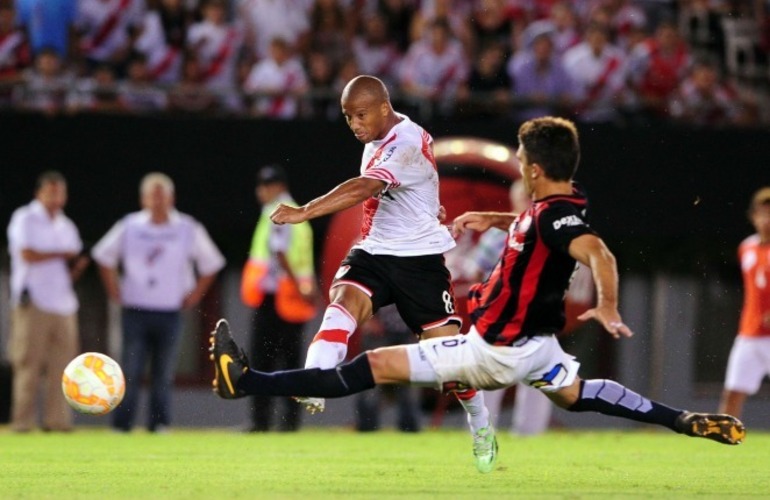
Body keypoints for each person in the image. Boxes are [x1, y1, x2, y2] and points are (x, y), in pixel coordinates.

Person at [210, 116, 746, 475]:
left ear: (533, 170)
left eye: (519, 157)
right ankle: (680, 419)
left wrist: (606, 303)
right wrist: (499, 218)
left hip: (490, 351)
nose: (516, 162)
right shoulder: (549, 209)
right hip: (539, 351)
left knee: (367, 368)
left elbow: (598, 252)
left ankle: (247, 381)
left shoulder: (555, 217)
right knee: (577, 393)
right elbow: (551, 228)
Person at [260, 74, 493, 472]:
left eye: (361, 114)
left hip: (420, 262)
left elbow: (365, 187)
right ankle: (315, 382)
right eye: (348, 116)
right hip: (375, 252)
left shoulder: (404, 141)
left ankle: (481, 423)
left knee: (452, 365)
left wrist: (305, 211)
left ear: (384, 107)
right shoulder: (378, 137)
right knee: (340, 306)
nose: (354, 124)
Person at [92, 172, 225, 432]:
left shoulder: (187, 227)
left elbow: (212, 263)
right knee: (130, 368)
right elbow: (103, 255)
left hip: (170, 311)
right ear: (143, 199)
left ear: (171, 198)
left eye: (162, 196)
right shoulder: (130, 225)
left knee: (163, 372)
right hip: (135, 309)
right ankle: (122, 424)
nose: (158, 201)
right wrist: (113, 289)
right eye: (153, 196)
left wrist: (196, 294)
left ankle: (159, 423)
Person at [7, 171, 89, 432]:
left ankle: (57, 421)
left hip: (63, 303)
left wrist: (78, 265)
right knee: (28, 362)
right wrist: (62, 254)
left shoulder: (66, 225)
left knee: (64, 368)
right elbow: (27, 253)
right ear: (39, 193)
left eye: (60, 193)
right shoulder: (25, 218)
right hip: (34, 301)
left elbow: (70, 265)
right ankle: (23, 421)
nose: (56, 198)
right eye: (50, 192)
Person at [240, 164, 318, 432]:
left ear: (277, 187)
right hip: (291, 298)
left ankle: (261, 422)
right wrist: (310, 290)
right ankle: (290, 423)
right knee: (292, 363)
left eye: (265, 185)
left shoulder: (278, 211)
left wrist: (299, 288)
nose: (260, 191)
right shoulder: (298, 211)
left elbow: (280, 252)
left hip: (277, 297)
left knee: (263, 361)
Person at [718, 187, 770, 419]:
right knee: (733, 393)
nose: (767, 220)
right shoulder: (746, 247)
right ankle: (724, 443)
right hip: (749, 334)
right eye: (763, 214)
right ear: (753, 216)